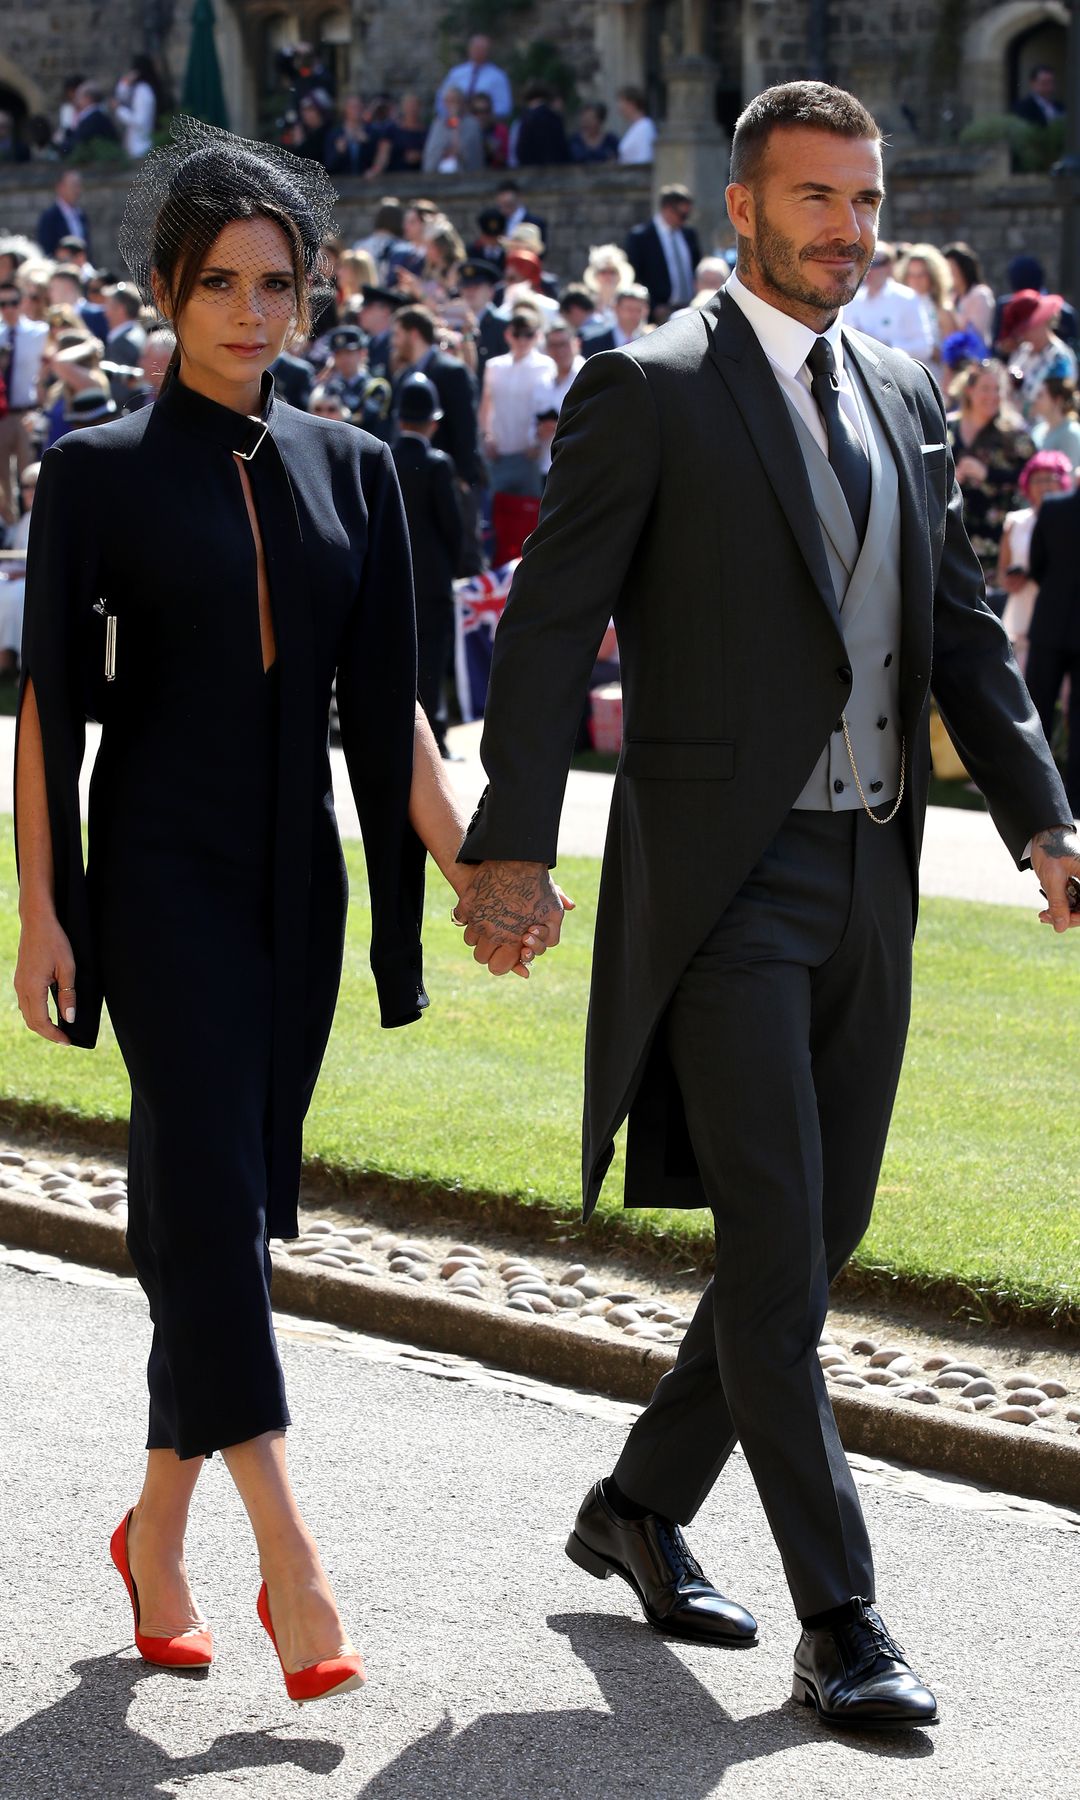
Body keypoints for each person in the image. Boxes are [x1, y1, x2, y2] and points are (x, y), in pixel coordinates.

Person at [453, 79, 1080, 1733]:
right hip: (721, 887)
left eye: (864, 202)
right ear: (741, 207)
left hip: (873, 874)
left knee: (814, 1242)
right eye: (814, 199)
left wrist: (1041, 816)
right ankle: (846, 1618)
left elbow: (959, 632)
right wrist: (512, 847)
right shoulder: (645, 388)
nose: (848, 230)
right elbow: (544, 629)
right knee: (783, 1251)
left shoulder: (902, 389)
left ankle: (640, 1507)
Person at [12, 115, 501, 1706]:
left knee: (208, 1215)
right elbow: (48, 719)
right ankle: (293, 1560)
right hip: (154, 881)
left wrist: (469, 865)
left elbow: (396, 723)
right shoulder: (91, 471)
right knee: (213, 1209)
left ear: (309, 294)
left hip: (301, 887)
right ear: (165, 292)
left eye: (275, 282)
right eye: (217, 280)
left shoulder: (356, 467)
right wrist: (40, 910)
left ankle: (153, 1540)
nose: (248, 309)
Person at [392, 373, 464, 757]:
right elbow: (452, 526)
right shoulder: (437, 464)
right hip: (433, 579)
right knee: (432, 657)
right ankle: (432, 736)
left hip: (393, 576)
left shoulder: (382, 455)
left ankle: (396, 727)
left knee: (397, 653)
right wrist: (451, 567)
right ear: (432, 422)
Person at [947, 359, 1035, 593]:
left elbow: (1033, 476)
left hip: (997, 541)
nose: (993, 396)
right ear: (969, 390)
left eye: (998, 389)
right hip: (953, 536)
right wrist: (951, 476)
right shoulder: (946, 428)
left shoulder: (1013, 434)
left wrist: (989, 474)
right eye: (986, 388)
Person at [1028, 476, 1080, 812]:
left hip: (1050, 621)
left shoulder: (1053, 507)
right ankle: (1074, 798)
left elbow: (1037, 565)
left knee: (1035, 713)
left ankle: (1033, 794)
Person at [997, 449, 1073, 672]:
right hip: (1022, 606)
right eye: (1038, 479)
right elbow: (1002, 572)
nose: (1044, 485)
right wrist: (1009, 581)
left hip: (1060, 610)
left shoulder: (1070, 523)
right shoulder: (1016, 521)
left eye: (1051, 478)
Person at [391, 303, 482, 486]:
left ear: (414, 334)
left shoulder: (452, 371)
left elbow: (465, 427)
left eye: (398, 335)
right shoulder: (403, 376)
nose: (394, 342)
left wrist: (464, 477)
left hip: (448, 480)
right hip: (414, 482)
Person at [478, 308, 553, 498]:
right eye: (516, 334)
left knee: (530, 516)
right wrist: (486, 437)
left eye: (528, 335)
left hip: (531, 455)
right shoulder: (494, 366)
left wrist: (537, 442)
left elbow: (547, 408)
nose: (521, 340)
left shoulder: (546, 365)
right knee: (498, 517)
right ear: (507, 335)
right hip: (499, 454)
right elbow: (486, 404)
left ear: (537, 336)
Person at [0, 277, 48, 524]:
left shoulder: (39, 332)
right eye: (3, 303)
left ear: (22, 303)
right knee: (2, 483)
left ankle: (34, 527)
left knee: (30, 474)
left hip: (28, 412)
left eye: (13, 302)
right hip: (2, 414)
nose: (8, 308)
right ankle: (11, 529)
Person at [842, 242, 933, 361]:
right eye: (864, 261)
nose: (869, 269)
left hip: (895, 374)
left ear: (890, 267)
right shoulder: (852, 301)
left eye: (875, 263)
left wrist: (888, 350)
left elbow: (924, 347)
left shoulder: (907, 298)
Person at [625, 186, 702, 320]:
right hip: (659, 313)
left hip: (689, 309)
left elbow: (696, 268)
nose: (684, 220)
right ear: (667, 209)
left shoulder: (689, 234)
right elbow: (635, 276)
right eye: (682, 215)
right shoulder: (641, 237)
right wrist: (653, 306)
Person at [999, 289, 1078, 419]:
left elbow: (1059, 405)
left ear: (1043, 322)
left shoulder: (1060, 358)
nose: (1023, 334)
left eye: (1028, 327)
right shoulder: (1022, 351)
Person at [532, 316, 583, 478]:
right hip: (547, 466)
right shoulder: (542, 379)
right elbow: (530, 422)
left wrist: (560, 427)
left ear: (576, 344)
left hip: (577, 465)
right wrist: (538, 431)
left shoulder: (587, 375)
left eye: (564, 344)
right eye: (553, 345)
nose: (559, 351)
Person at [437, 34, 512, 121]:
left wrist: (482, 113)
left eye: (481, 49)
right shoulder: (456, 73)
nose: (478, 51)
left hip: (484, 126)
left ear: (488, 51)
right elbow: (441, 99)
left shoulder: (498, 77)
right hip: (456, 124)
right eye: (475, 48)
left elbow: (504, 107)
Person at [943, 242, 995, 347]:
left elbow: (976, 332)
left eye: (952, 269)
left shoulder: (980, 295)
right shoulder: (952, 296)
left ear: (964, 269)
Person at [422, 88, 484, 174]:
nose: (453, 104)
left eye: (456, 100)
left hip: (465, 174)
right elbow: (432, 151)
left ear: (462, 102)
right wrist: (443, 152)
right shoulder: (438, 124)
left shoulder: (472, 124)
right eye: (449, 101)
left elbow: (473, 151)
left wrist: (460, 151)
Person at [579, 284, 649, 357]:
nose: (634, 314)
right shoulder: (592, 344)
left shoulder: (649, 344)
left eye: (638, 310)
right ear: (616, 309)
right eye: (629, 309)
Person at [36, 170, 92, 260]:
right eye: (73, 186)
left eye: (79, 186)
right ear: (60, 187)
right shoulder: (50, 216)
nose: (77, 190)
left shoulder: (81, 215)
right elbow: (46, 249)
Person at [114, 55, 159, 158]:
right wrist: (125, 82)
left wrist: (119, 110)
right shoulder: (138, 88)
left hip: (141, 146)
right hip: (135, 145)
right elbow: (121, 96)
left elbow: (139, 121)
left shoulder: (143, 91)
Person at [515, 82, 570, 166]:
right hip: (557, 172)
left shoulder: (527, 120)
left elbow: (521, 153)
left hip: (532, 173)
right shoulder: (555, 119)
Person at [1030, 375, 1080, 468]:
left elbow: (1070, 477)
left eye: (1040, 395)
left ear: (1057, 400)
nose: (1035, 400)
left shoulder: (1071, 433)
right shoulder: (1037, 430)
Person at [616, 87, 657, 164]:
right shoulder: (635, 127)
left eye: (622, 102)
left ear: (632, 104)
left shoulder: (645, 127)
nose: (619, 108)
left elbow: (645, 158)